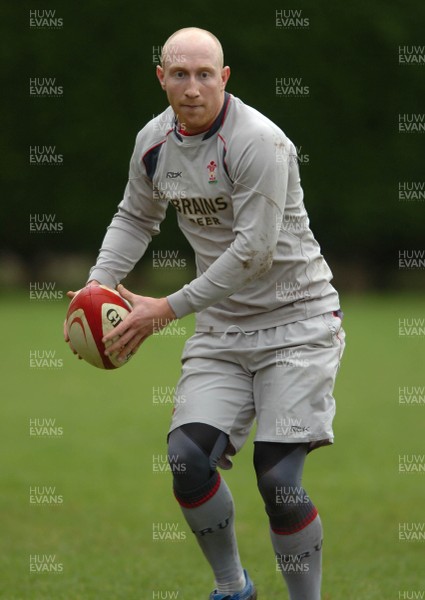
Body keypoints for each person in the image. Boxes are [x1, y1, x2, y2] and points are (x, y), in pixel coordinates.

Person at [65, 27, 345, 600]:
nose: (191, 87)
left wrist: (163, 309)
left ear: (224, 78)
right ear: (161, 77)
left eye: (204, 74)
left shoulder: (259, 142)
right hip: (223, 327)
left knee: (280, 481)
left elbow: (253, 253)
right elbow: (135, 216)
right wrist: (97, 286)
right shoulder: (153, 142)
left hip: (299, 322)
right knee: (188, 459)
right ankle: (232, 588)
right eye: (179, 74)